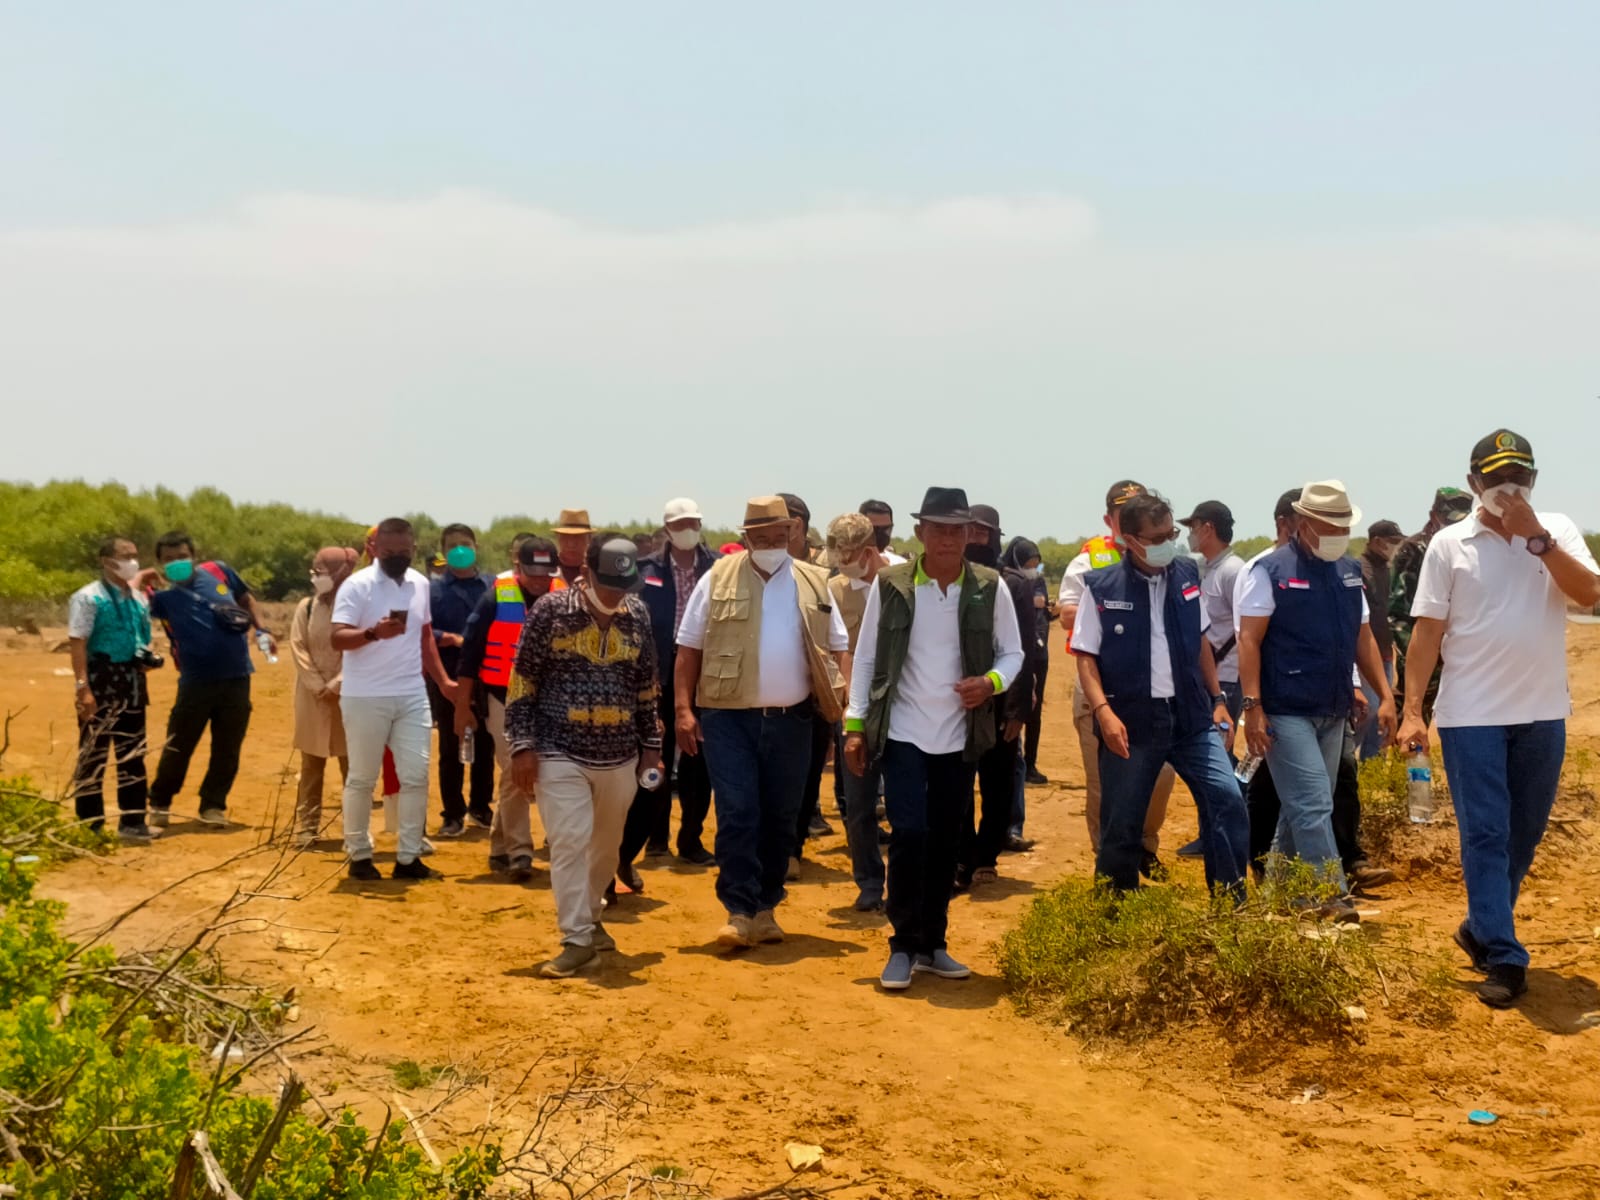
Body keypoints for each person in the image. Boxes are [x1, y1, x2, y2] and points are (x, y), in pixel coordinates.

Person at [1397, 430, 1600, 1008]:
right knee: (1485, 832)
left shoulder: (1556, 531)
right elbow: (1427, 633)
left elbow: (1588, 593)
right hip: (1471, 715)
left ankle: (1481, 925)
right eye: (1497, 480)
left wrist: (1535, 538)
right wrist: (1414, 711)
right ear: (1473, 485)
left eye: (1522, 478)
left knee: (1523, 834)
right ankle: (1505, 956)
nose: (1510, 489)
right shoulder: (1448, 545)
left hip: (1542, 713)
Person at [844, 487, 1024, 991]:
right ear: (920, 533)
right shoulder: (893, 584)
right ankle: (901, 945)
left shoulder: (989, 587)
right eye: (937, 528)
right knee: (909, 834)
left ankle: (933, 944)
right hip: (903, 732)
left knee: (946, 839)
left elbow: (1012, 654)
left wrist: (988, 684)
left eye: (957, 529)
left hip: (958, 737)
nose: (947, 538)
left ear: (970, 535)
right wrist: (855, 725)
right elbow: (866, 658)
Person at [674, 496, 849, 950]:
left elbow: (838, 647)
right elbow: (688, 649)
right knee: (738, 812)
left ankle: (767, 907)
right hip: (728, 719)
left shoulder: (814, 582)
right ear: (746, 537)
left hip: (794, 721)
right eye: (762, 538)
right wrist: (682, 710)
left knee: (781, 816)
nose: (772, 545)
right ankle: (739, 909)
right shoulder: (716, 578)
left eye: (780, 536)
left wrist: (843, 707)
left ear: (793, 534)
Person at [1072, 493, 1250, 893]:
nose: (1169, 542)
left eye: (1171, 533)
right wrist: (1103, 713)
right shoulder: (1101, 587)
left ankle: (1231, 903)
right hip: (1132, 723)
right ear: (1131, 540)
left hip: (1191, 719)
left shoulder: (1188, 574)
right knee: (1122, 822)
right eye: (1157, 537)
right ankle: (1115, 910)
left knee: (1227, 798)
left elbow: (1201, 642)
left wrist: (1218, 699)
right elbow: (1085, 657)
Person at [506, 536, 664, 978]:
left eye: (623, 585)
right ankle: (575, 939)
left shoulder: (637, 615)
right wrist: (522, 746)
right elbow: (523, 681)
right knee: (570, 839)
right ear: (587, 573)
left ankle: (592, 916)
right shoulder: (550, 612)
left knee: (607, 844)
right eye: (609, 584)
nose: (616, 594)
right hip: (559, 748)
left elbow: (647, 686)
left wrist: (651, 748)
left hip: (620, 753)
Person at [1238, 481, 1396, 920]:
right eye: (1330, 525)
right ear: (1303, 525)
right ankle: (1331, 895)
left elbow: (1362, 639)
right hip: (1285, 709)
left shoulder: (1348, 573)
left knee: (1304, 806)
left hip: (1333, 708)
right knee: (1312, 803)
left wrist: (1383, 694)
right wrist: (1252, 707)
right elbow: (1248, 641)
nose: (1338, 533)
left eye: (1345, 525)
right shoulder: (1268, 572)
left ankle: (1275, 899)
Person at [1056, 481, 1175, 878]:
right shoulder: (1090, 560)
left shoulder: (1169, 559)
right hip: (1100, 689)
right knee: (1105, 787)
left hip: (1153, 692)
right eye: (1123, 514)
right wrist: (1111, 598)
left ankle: (1144, 844)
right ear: (1111, 520)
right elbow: (1068, 615)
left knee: (1161, 775)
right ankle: (1107, 862)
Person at [331, 518, 458, 882]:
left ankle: (408, 857)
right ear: (374, 549)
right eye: (389, 553)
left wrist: (444, 682)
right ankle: (359, 855)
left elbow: (425, 637)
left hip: (412, 693)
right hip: (365, 695)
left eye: (404, 552)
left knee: (416, 775)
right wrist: (372, 633)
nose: (397, 558)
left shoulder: (419, 583)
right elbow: (337, 638)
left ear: (414, 549)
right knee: (362, 778)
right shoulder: (357, 587)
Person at [454, 534, 564, 880]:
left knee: (515, 775)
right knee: (517, 768)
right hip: (501, 696)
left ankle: (500, 845)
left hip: (547, 699)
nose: (539, 580)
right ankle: (520, 851)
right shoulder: (493, 599)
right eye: (532, 572)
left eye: (546, 573)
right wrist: (462, 705)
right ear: (518, 567)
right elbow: (469, 658)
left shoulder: (565, 599)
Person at [145, 532, 274, 827]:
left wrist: (262, 629)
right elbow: (135, 608)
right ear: (159, 563)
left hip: (238, 675)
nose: (176, 562)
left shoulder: (219, 571)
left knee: (228, 747)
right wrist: (142, 580)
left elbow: (246, 598)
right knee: (180, 745)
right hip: (195, 681)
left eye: (181, 556)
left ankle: (213, 806)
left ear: (193, 554)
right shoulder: (162, 599)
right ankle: (160, 803)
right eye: (168, 559)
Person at [618, 498, 717, 879]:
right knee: (653, 763)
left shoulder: (717, 569)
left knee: (698, 767)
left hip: (703, 681)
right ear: (667, 528)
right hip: (654, 681)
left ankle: (690, 840)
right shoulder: (647, 571)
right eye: (680, 524)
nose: (688, 529)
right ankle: (652, 840)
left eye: (693, 522)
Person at [956, 505, 1034, 891]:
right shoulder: (950, 580)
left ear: (996, 535)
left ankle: (986, 855)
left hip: (1001, 701)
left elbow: (1022, 653)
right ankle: (963, 854)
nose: (973, 539)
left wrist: (1018, 710)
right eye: (967, 531)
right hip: (956, 701)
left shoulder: (1014, 585)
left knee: (998, 783)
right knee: (956, 781)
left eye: (981, 532)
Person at [67, 536, 158, 842]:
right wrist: (83, 688)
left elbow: (143, 636)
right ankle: (89, 826)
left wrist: (146, 656)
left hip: (132, 680)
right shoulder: (89, 598)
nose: (132, 561)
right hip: (100, 678)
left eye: (135, 555)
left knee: (133, 753)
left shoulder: (138, 598)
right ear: (106, 561)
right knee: (93, 753)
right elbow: (78, 642)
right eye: (125, 556)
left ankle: (133, 822)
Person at [827, 513, 892, 911]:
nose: (844, 565)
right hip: (855, 711)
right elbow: (838, 653)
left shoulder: (904, 579)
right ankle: (869, 882)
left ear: (870, 551)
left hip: (903, 710)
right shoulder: (832, 589)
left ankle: (907, 881)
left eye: (850, 557)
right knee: (859, 804)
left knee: (905, 803)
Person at [1174, 500, 1244, 859]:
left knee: (1220, 763)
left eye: (1193, 526)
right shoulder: (1204, 569)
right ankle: (1212, 833)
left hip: (1227, 681)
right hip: (1207, 680)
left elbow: (1243, 630)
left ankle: (1226, 836)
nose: (1189, 534)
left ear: (1208, 528)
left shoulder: (1234, 571)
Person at [779, 491, 839, 867]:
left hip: (814, 693)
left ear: (797, 526)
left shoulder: (824, 575)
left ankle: (793, 847)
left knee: (807, 774)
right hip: (767, 691)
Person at [289, 547, 358, 847]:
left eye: (322, 571)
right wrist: (319, 685)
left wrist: (338, 684)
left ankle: (355, 828)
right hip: (312, 696)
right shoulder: (306, 607)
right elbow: (297, 646)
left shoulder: (357, 606)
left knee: (352, 766)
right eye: (314, 571)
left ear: (341, 573)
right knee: (311, 765)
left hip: (350, 695)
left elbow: (360, 650)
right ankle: (308, 826)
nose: (317, 577)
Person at [429, 524, 495, 837]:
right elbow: (424, 630)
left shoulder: (494, 585)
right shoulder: (434, 589)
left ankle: (481, 808)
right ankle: (452, 813)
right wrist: (451, 639)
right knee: (451, 745)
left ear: (475, 547)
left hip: (489, 676)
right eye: (453, 545)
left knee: (486, 744)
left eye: (465, 544)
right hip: (450, 677)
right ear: (444, 552)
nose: (460, 550)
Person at [1388, 487, 1474, 723]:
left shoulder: (1470, 546)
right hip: (1421, 647)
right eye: (1448, 520)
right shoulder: (1413, 549)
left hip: (1458, 650)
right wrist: (1414, 653)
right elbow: (1397, 611)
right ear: (1433, 515)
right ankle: (1401, 759)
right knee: (1412, 715)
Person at [1005, 537, 1053, 788]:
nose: (1033, 567)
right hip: (1018, 656)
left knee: (1034, 712)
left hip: (1040, 654)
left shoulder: (1040, 581)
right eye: (1029, 562)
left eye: (1036, 562)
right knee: (1015, 709)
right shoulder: (1009, 583)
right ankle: (1014, 762)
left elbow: (1044, 614)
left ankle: (1030, 764)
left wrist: (1050, 611)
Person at [1355, 519, 1405, 760]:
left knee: (1381, 713)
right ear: (1376, 542)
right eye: (1393, 542)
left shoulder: (1387, 570)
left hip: (1385, 652)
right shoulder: (1360, 569)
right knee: (1369, 709)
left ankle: (1370, 765)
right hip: (1365, 653)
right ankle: (1346, 756)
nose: (1396, 547)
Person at [552, 509, 595, 587]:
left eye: (578, 537)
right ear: (558, 538)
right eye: (565, 537)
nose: (571, 544)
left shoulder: (597, 572)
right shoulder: (547, 568)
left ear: (589, 539)